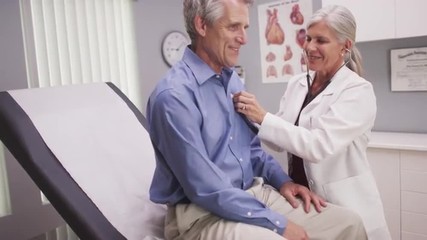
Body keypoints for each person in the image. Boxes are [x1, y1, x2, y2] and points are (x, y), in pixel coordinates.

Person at [147, 1, 367, 239]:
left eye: (245, 27)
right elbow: (205, 187)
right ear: (201, 25)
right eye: (233, 27)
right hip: (202, 214)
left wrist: (283, 182)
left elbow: (252, 151)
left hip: (253, 194)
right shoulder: (173, 97)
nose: (244, 38)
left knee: (349, 224)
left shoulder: (231, 81)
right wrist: (278, 224)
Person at [233, 5, 391, 240]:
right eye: (308, 38)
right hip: (302, 198)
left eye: (321, 40)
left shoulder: (358, 91)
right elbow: (278, 141)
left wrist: (262, 116)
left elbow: (317, 146)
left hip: (346, 203)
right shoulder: (297, 83)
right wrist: (245, 117)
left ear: (345, 46)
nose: (309, 47)